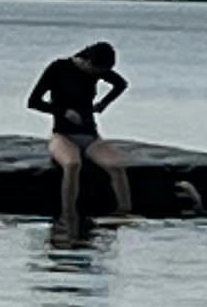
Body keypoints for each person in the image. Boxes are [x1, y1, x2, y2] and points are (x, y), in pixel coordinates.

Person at [28, 39, 132, 231]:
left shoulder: (98, 70)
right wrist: (63, 111)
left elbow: (120, 84)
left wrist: (103, 104)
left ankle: (124, 211)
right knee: (72, 164)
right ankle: (68, 214)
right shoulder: (59, 68)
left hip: (90, 135)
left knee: (116, 166)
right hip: (62, 134)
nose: (98, 76)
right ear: (88, 61)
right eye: (97, 72)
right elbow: (33, 101)